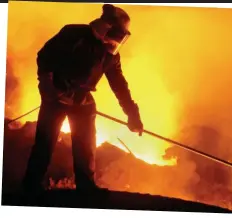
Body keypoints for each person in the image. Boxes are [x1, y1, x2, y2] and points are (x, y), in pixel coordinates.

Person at [22, 4, 143, 193]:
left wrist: (132, 114)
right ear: (105, 27)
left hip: (82, 101)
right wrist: (47, 84)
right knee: (44, 145)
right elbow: (45, 56)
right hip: (56, 98)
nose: (117, 41)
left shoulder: (110, 56)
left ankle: (86, 190)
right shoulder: (73, 34)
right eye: (117, 33)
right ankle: (30, 188)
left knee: (86, 147)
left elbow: (119, 85)